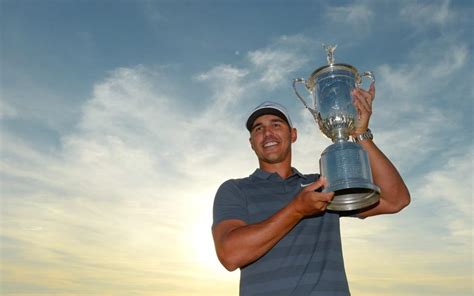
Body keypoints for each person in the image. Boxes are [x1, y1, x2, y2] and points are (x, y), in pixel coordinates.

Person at [212, 83, 410, 296]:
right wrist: (297, 210)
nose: (267, 133)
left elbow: (395, 199)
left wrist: (361, 134)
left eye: (276, 125)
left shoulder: (324, 183)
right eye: (258, 128)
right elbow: (230, 255)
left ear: (293, 135)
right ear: (251, 142)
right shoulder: (235, 189)